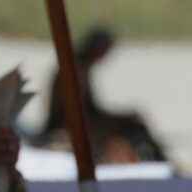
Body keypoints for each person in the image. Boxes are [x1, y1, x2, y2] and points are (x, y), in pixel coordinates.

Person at [40, 26, 167, 164]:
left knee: (133, 124)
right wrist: (118, 119)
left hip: (78, 121)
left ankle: (157, 161)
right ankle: (161, 162)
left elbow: (89, 109)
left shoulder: (80, 66)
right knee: (135, 127)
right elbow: (76, 113)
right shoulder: (74, 69)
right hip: (65, 126)